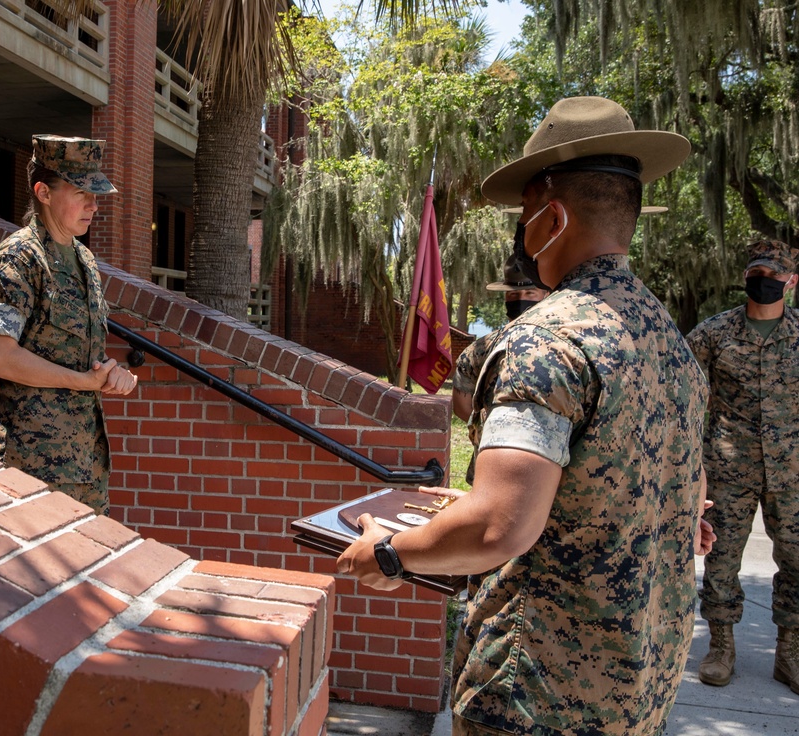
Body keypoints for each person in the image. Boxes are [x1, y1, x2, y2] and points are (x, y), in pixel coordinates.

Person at [337, 96, 714, 735]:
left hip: (541, 691)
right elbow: (670, 488)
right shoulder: (669, 341)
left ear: (552, 216)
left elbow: (498, 527)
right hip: (641, 681)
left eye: (523, 213)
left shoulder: (545, 343)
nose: (521, 229)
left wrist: (390, 553)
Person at [0, 134, 137, 516]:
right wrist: (81, 381)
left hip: (86, 466)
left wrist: (115, 375)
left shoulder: (84, 259)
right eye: (82, 192)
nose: (94, 205)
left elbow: (81, 355)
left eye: (96, 194)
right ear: (43, 192)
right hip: (29, 466)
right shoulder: (18, 259)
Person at [687, 239, 799, 693]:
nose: (764, 283)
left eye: (774, 277)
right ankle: (721, 647)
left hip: (792, 471)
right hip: (728, 467)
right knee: (721, 559)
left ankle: (790, 652)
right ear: (746, 276)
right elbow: (686, 399)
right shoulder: (713, 334)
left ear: (792, 281)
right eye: (758, 274)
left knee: (797, 558)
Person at [452, 256, 547, 484]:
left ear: (546, 294)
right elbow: (462, 407)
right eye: (513, 295)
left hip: (544, 469)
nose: (520, 300)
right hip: (490, 466)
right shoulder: (479, 350)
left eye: (529, 294)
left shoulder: (562, 347)